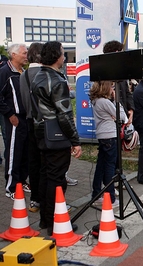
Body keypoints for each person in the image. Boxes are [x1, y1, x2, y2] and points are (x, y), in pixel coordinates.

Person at [30, 41, 82, 235]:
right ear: (57, 56)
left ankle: (45, 219)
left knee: (45, 175)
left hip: (40, 132)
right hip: (55, 134)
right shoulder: (58, 80)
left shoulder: (37, 77)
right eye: (63, 54)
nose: (65, 57)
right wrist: (75, 141)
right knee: (56, 178)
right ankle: (55, 223)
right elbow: (64, 115)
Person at [0, 43, 30, 200]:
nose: (26, 56)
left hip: (26, 118)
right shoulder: (5, 72)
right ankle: (10, 187)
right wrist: (10, 114)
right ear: (13, 55)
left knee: (24, 151)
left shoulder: (23, 72)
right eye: (24, 53)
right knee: (13, 152)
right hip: (14, 119)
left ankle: (21, 181)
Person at [89, 81, 126, 207]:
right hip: (110, 135)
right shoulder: (105, 102)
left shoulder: (96, 101)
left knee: (100, 166)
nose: (112, 88)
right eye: (111, 86)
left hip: (102, 135)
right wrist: (117, 101)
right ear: (106, 88)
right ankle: (110, 197)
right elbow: (122, 117)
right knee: (110, 166)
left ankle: (96, 193)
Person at [19, 42, 43, 212]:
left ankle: (35, 199)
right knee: (47, 162)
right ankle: (48, 199)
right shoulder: (45, 74)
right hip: (44, 122)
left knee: (33, 161)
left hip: (29, 120)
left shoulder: (23, 75)